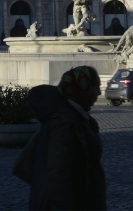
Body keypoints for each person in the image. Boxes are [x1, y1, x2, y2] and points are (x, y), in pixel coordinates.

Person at [25, 66, 106, 210]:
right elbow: (58, 175)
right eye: (96, 87)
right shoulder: (65, 124)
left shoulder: (79, 118)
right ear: (83, 88)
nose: (99, 93)